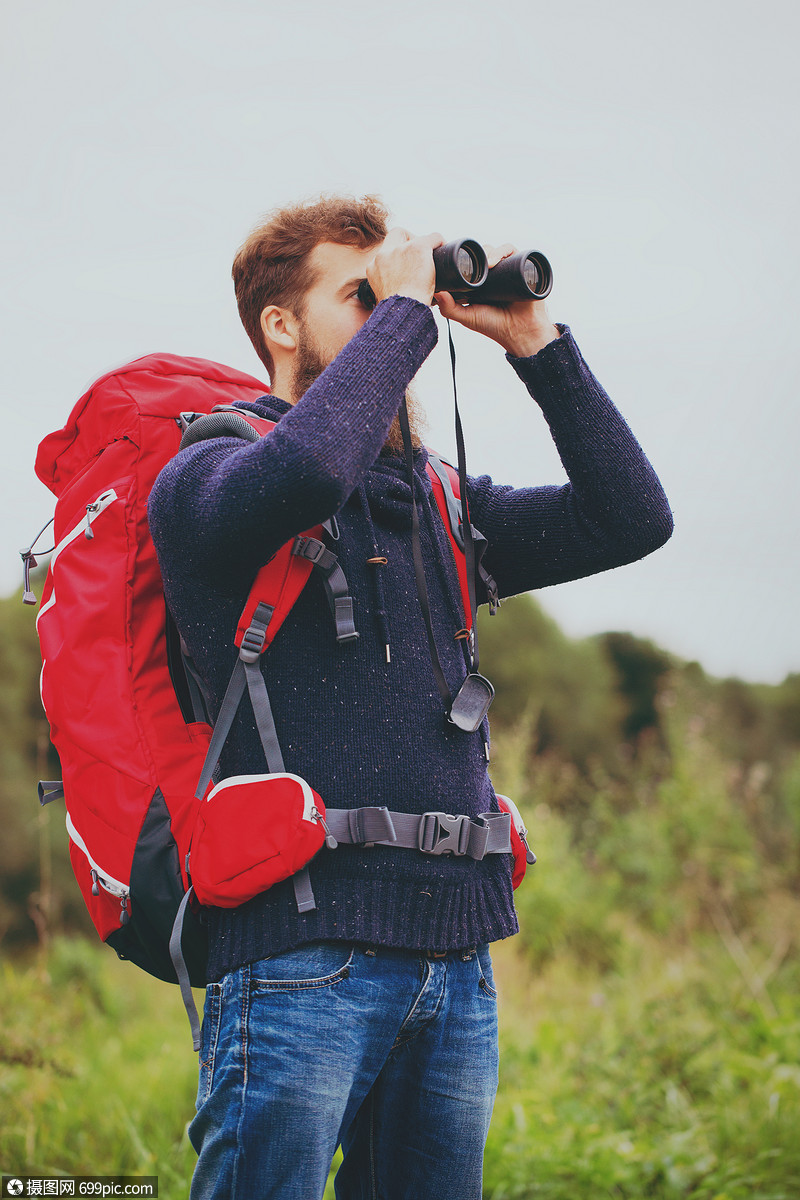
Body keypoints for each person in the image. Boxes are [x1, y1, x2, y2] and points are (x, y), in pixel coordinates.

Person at [148, 193, 673, 1200]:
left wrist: (534, 344)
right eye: (360, 294)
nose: (402, 315)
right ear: (280, 325)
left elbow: (630, 516)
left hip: (455, 957)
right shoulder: (207, 475)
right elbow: (303, 472)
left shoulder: (436, 499)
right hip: (301, 956)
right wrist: (404, 317)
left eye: (401, 295)